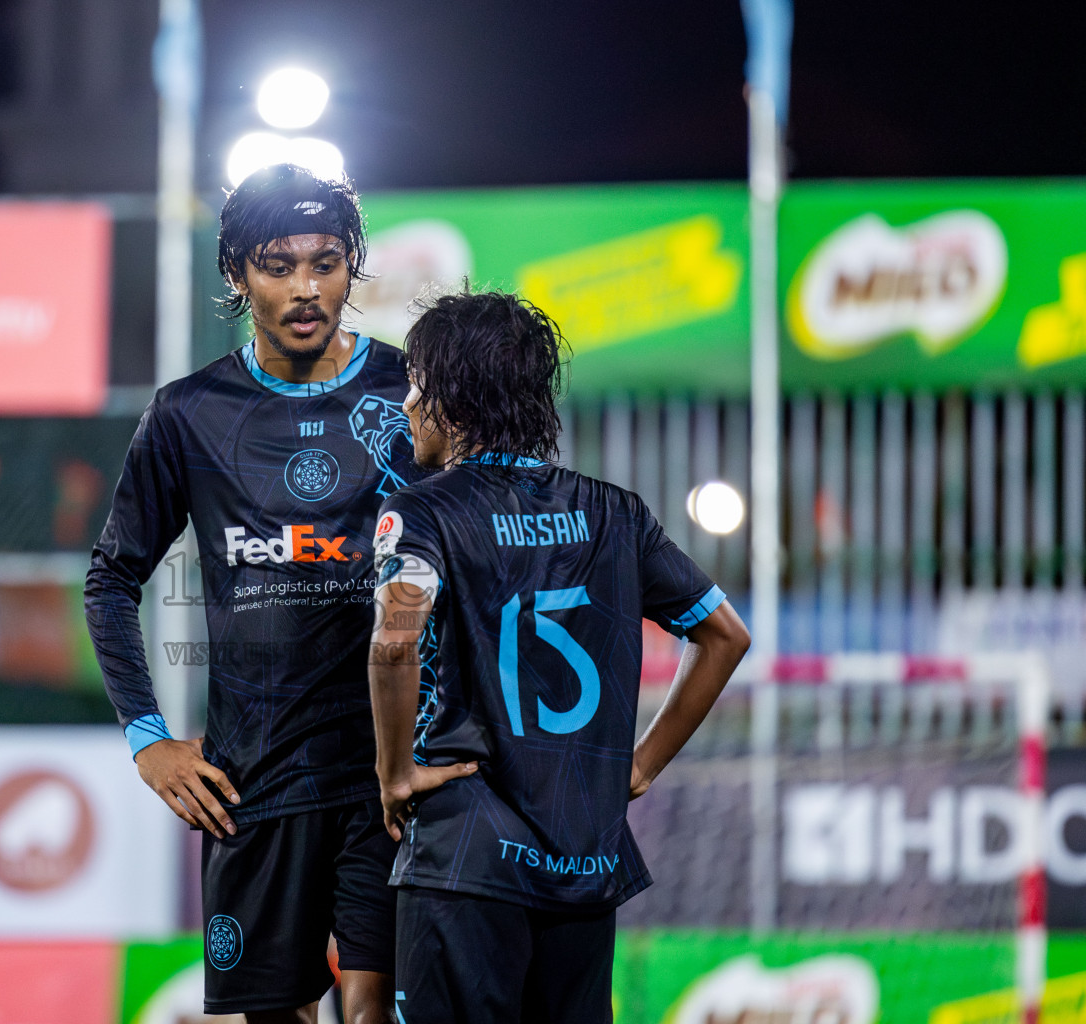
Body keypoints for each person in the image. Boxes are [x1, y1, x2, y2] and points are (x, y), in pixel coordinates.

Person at [85, 163, 422, 1024]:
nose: (307, 288)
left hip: (387, 777)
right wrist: (149, 739)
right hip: (254, 782)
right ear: (236, 274)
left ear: (353, 264)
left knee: (375, 1010)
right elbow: (111, 578)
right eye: (278, 265)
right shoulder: (189, 414)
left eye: (327, 261)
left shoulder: (413, 394)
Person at [368, 290, 751, 1023]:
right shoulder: (617, 512)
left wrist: (395, 772)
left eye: (416, 381)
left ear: (449, 399)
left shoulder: (425, 510)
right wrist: (639, 765)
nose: (405, 402)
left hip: (465, 861)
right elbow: (725, 635)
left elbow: (393, 639)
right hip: (583, 863)